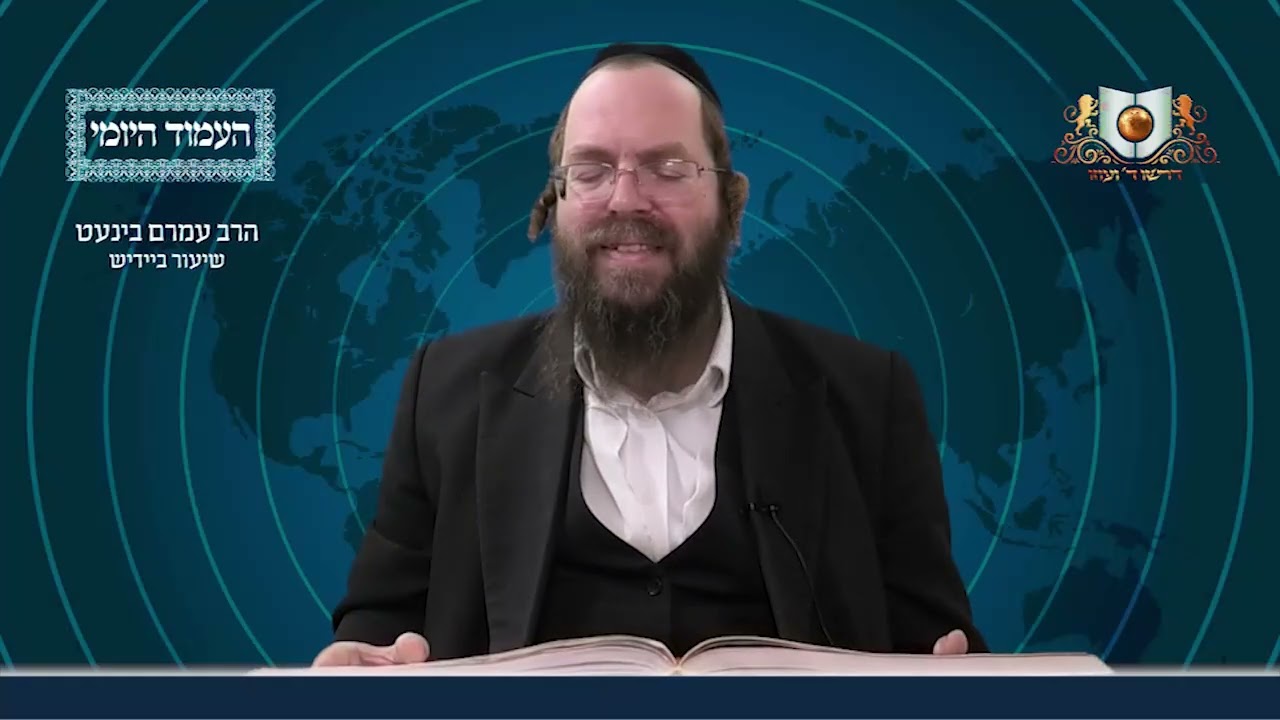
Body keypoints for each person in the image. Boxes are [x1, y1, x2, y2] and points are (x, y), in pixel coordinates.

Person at [313, 42, 986, 668]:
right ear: (557, 202)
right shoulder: (443, 392)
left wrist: (955, 678)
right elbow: (381, 622)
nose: (625, 199)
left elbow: (934, 643)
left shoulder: (869, 396)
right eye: (591, 170)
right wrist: (358, 662)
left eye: (667, 168)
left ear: (732, 205)